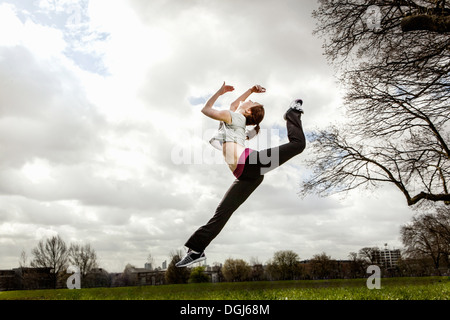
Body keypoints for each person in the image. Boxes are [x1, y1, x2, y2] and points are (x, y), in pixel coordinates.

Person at [176, 82, 306, 267]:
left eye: (250, 102)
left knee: (298, 145)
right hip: (246, 174)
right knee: (222, 212)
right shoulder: (236, 123)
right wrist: (250, 91)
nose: (248, 101)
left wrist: (220, 92)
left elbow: (206, 109)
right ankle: (197, 250)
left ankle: (292, 113)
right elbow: (235, 104)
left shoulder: (235, 118)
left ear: (247, 112)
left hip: (251, 164)